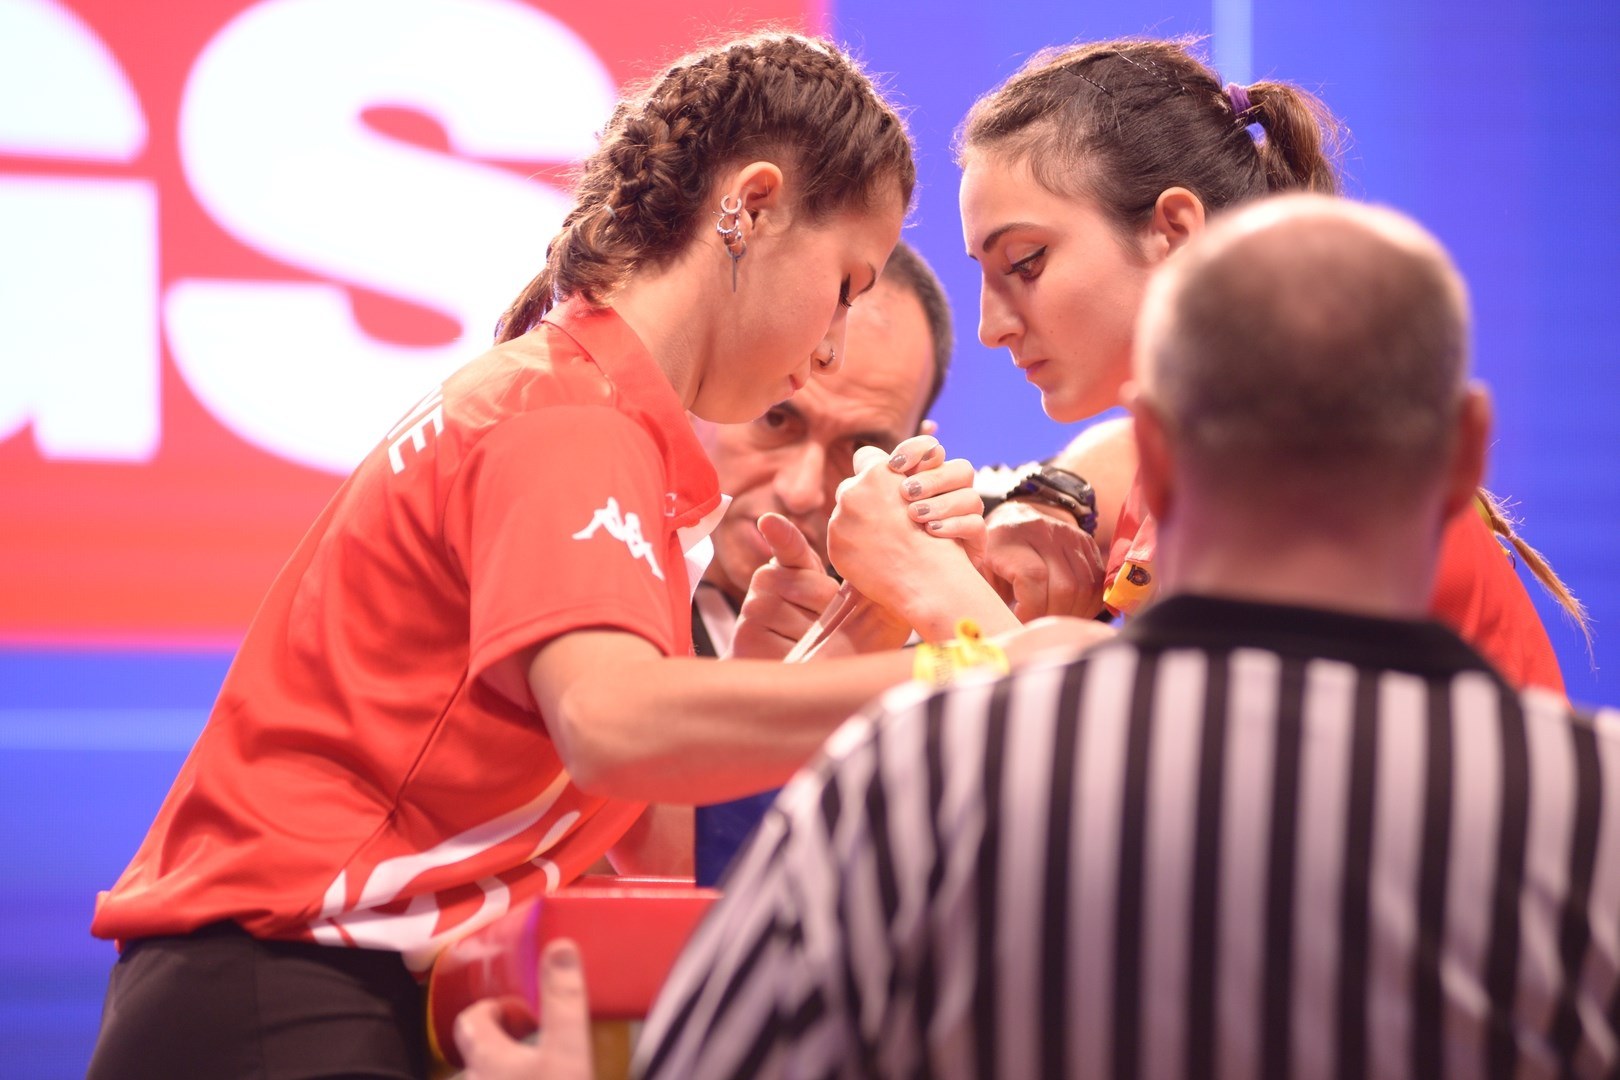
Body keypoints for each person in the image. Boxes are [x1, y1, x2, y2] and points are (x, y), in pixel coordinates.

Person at [85, 32, 1074, 1079]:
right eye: (842, 285)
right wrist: (971, 674)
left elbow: (641, 852)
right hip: (270, 998)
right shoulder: (563, 415)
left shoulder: (591, 416)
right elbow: (612, 726)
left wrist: (832, 658)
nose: (831, 344)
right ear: (752, 205)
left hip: (314, 990)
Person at [633, 194, 1620, 1079]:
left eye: (1027, 261)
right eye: (775, 419)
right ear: (1469, 452)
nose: (1001, 318)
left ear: (1144, 449)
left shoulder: (914, 781)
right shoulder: (1598, 817)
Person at [953, 38, 1584, 691]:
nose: (990, 327)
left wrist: (927, 584)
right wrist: (1055, 498)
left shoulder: (1307, 479)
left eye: (1025, 263)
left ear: (1173, 231)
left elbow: (1160, 736)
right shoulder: (1222, 442)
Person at [686, 240, 953, 885]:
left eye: (860, 447)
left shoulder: (951, 602)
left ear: (918, 452)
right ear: (707, 380)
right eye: (778, 419)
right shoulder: (598, 564)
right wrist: (759, 706)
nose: (803, 489)